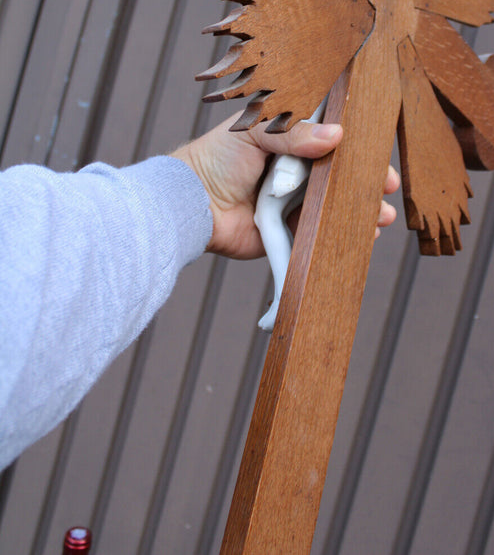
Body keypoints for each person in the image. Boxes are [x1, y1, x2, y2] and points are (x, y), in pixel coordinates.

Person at [0, 112, 399, 469]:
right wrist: (199, 187)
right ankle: (283, 299)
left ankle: (284, 298)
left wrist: (202, 187)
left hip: (279, 177)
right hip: (279, 178)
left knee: (273, 217)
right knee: (271, 216)